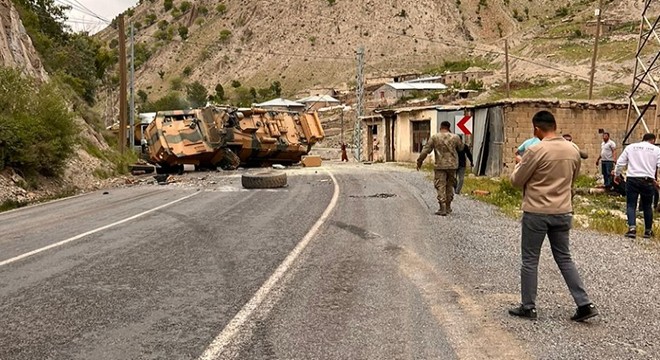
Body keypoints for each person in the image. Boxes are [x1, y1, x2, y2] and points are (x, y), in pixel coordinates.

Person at [508, 110, 598, 322]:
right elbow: (572, 179)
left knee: (530, 259)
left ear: (537, 128)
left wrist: (519, 164)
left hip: (537, 212)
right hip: (563, 211)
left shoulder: (535, 150)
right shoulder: (572, 149)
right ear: (555, 125)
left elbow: (516, 181)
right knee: (565, 258)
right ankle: (584, 303)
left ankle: (528, 307)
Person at [614, 133, 660, 239]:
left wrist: (617, 175)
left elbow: (620, 163)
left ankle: (632, 229)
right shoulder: (656, 150)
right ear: (653, 140)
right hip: (647, 180)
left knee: (631, 204)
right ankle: (648, 231)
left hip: (632, 178)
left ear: (643, 139)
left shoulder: (631, 147)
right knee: (648, 205)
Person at [416, 121, 464, 216]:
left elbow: (426, 150)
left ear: (440, 127)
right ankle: (449, 206)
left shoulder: (435, 137)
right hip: (452, 165)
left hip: (440, 166)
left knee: (440, 185)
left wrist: (420, 161)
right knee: (449, 185)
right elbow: (461, 148)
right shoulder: (455, 137)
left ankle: (442, 208)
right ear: (449, 127)